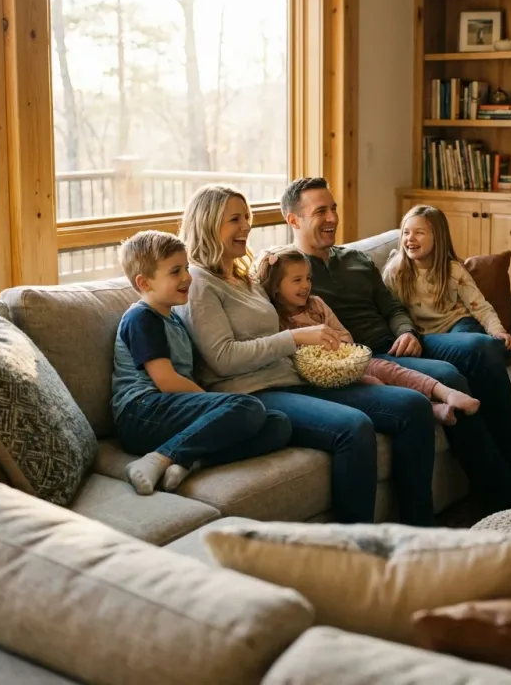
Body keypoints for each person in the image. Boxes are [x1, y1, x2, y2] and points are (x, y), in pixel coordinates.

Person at [175, 184, 437, 526]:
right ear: (207, 224)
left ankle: (419, 531)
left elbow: (285, 294)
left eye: (247, 217)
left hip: (294, 377)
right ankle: (354, 549)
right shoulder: (198, 281)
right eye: (234, 220)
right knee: (353, 427)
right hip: (252, 392)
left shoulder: (244, 276)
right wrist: (295, 338)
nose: (246, 227)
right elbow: (222, 358)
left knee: (412, 406)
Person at [282, 177, 511, 514]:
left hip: (403, 342)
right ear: (293, 220)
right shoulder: (288, 273)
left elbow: (393, 306)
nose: (332, 218)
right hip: (364, 359)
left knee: (483, 349)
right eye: (320, 211)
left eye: (334, 209)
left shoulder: (356, 259)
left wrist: (406, 331)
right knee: (447, 375)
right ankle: (503, 492)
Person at [111, 230, 292, 496]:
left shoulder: (173, 319)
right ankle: (158, 458)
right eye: (175, 272)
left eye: (185, 267)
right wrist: (214, 405)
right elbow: (166, 380)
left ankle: (190, 460)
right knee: (247, 406)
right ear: (144, 283)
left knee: (278, 424)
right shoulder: (142, 318)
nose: (187, 277)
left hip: (167, 410)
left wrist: (216, 409)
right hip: (140, 413)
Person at [257, 244, 481, 426]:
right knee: (373, 381)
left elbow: (345, 336)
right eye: (297, 280)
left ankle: (446, 393)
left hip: (345, 362)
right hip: (318, 377)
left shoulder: (316, 304)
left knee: (387, 369)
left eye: (308, 278)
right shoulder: (274, 317)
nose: (306, 285)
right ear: (276, 287)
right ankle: (433, 408)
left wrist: (339, 349)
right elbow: (284, 355)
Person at [382, 204, 511, 354]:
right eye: (406, 232)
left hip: (459, 324)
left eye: (419, 233)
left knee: (471, 346)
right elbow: (389, 310)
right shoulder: (395, 272)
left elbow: (480, 307)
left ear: (437, 238)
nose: (410, 238)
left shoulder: (453, 270)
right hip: (424, 335)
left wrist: (498, 331)